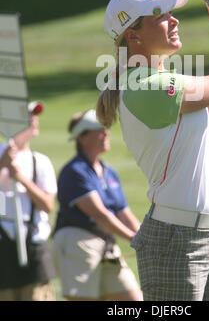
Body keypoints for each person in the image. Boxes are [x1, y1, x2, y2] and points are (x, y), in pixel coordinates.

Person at [97, 0, 209, 301]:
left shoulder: (161, 83)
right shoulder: (144, 86)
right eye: (160, 16)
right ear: (134, 36)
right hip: (176, 243)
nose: (174, 21)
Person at [52, 109, 142, 301]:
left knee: (133, 298)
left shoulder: (109, 172)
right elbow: (101, 215)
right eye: (99, 129)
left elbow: (123, 212)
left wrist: (145, 237)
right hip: (78, 242)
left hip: (106, 243)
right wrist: (136, 240)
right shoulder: (74, 171)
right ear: (82, 138)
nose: (106, 133)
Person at [0, 101, 57, 301]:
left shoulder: (40, 161)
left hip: (34, 247)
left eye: (35, 116)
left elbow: (47, 205)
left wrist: (21, 178)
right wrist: (2, 165)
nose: (34, 121)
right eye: (28, 116)